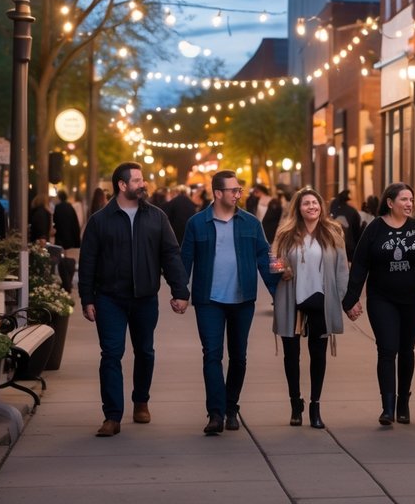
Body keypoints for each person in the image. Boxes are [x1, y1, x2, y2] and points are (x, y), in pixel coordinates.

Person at [78, 163, 189, 437]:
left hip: (145, 298)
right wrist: (87, 298)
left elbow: (171, 254)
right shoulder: (100, 221)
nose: (143, 184)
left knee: (145, 351)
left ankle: (141, 401)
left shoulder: (157, 217)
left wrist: (180, 291)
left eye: (142, 179)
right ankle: (112, 416)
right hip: (109, 299)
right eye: (137, 180)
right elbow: (88, 262)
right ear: (122, 185)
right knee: (111, 355)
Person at [181, 170, 280, 435]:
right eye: (233, 190)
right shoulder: (197, 223)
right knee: (211, 355)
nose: (238, 194)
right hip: (208, 300)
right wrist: (180, 292)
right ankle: (215, 413)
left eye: (239, 190)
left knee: (238, 357)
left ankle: (231, 407)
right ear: (217, 193)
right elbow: (185, 259)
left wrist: (279, 293)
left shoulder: (250, 223)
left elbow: (265, 257)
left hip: (242, 299)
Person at [342, 182, 415, 426]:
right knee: (387, 349)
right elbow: (361, 264)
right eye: (404, 199)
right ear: (390, 202)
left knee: (406, 350)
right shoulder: (374, 229)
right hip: (381, 299)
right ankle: (387, 407)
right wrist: (350, 299)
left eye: (411, 199)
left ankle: (403, 403)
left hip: (412, 302)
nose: (409, 204)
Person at [271, 188, 349, 429]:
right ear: (298, 208)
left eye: (315, 203)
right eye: (306, 203)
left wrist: (342, 299)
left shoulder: (333, 231)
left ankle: (315, 405)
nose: (311, 207)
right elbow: (273, 260)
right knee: (291, 356)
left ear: (321, 206)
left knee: (318, 355)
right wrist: (282, 269)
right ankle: (296, 403)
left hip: (321, 300)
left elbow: (341, 268)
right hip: (292, 300)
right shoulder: (286, 232)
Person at [330, 189, 363, 263]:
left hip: (334, 248)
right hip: (350, 249)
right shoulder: (353, 212)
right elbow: (357, 232)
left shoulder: (333, 210)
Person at [53, 189, 82, 259]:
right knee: (67, 253)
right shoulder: (70, 207)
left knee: (61, 253)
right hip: (69, 235)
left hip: (60, 235)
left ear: (59, 197)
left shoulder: (57, 207)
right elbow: (75, 223)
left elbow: (55, 221)